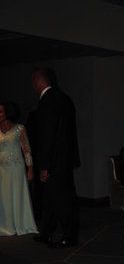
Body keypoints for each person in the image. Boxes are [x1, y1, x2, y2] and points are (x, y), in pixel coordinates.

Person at [30, 67, 80, 248]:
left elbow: (47, 135)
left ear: (38, 81)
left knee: (61, 200)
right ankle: (46, 232)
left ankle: (69, 237)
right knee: (51, 198)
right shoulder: (64, 98)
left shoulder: (48, 101)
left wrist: (44, 166)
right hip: (64, 159)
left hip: (54, 162)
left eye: (33, 81)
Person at [0, 101, 38, 236]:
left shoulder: (19, 128)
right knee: (4, 197)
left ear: (7, 112)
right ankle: (6, 225)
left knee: (17, 196)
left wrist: (30, 168)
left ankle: (21, 224)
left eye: (0, 112)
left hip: (16, 168)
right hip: (2, 170)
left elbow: (27, 150)